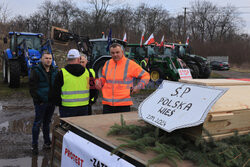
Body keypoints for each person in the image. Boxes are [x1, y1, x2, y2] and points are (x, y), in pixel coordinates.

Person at [95, 43, 150, 114]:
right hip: (107, 104)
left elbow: (146, 76)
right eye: (112, 53)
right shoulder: (107, 63)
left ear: (122, 52)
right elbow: (104, 78)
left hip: (123, 105)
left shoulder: (130, 64)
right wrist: (98, 81)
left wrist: (139, 86)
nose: (115, 55)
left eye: (117, 52)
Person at [52, 49, 97, 117]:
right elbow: (93, 89)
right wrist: (89, 101)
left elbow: (56, 92)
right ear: (79, 59)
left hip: (66, 107)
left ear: (67, 59)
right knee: (82, 127)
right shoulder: (88, 73)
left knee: (67, 127)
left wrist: (59, 103)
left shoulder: (61, 73)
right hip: (84, 106)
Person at [29, 51, 58, 155]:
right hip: (41, 102)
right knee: (37, 123)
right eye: (46, 58)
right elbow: (32, 87)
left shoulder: (54, 71)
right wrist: (38, 100)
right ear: (42, 59)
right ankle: (34, 145)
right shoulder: (36, 70)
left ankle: (47, 142)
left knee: (47, 122)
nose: (48, 60)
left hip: (51, 102)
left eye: (50, 58)